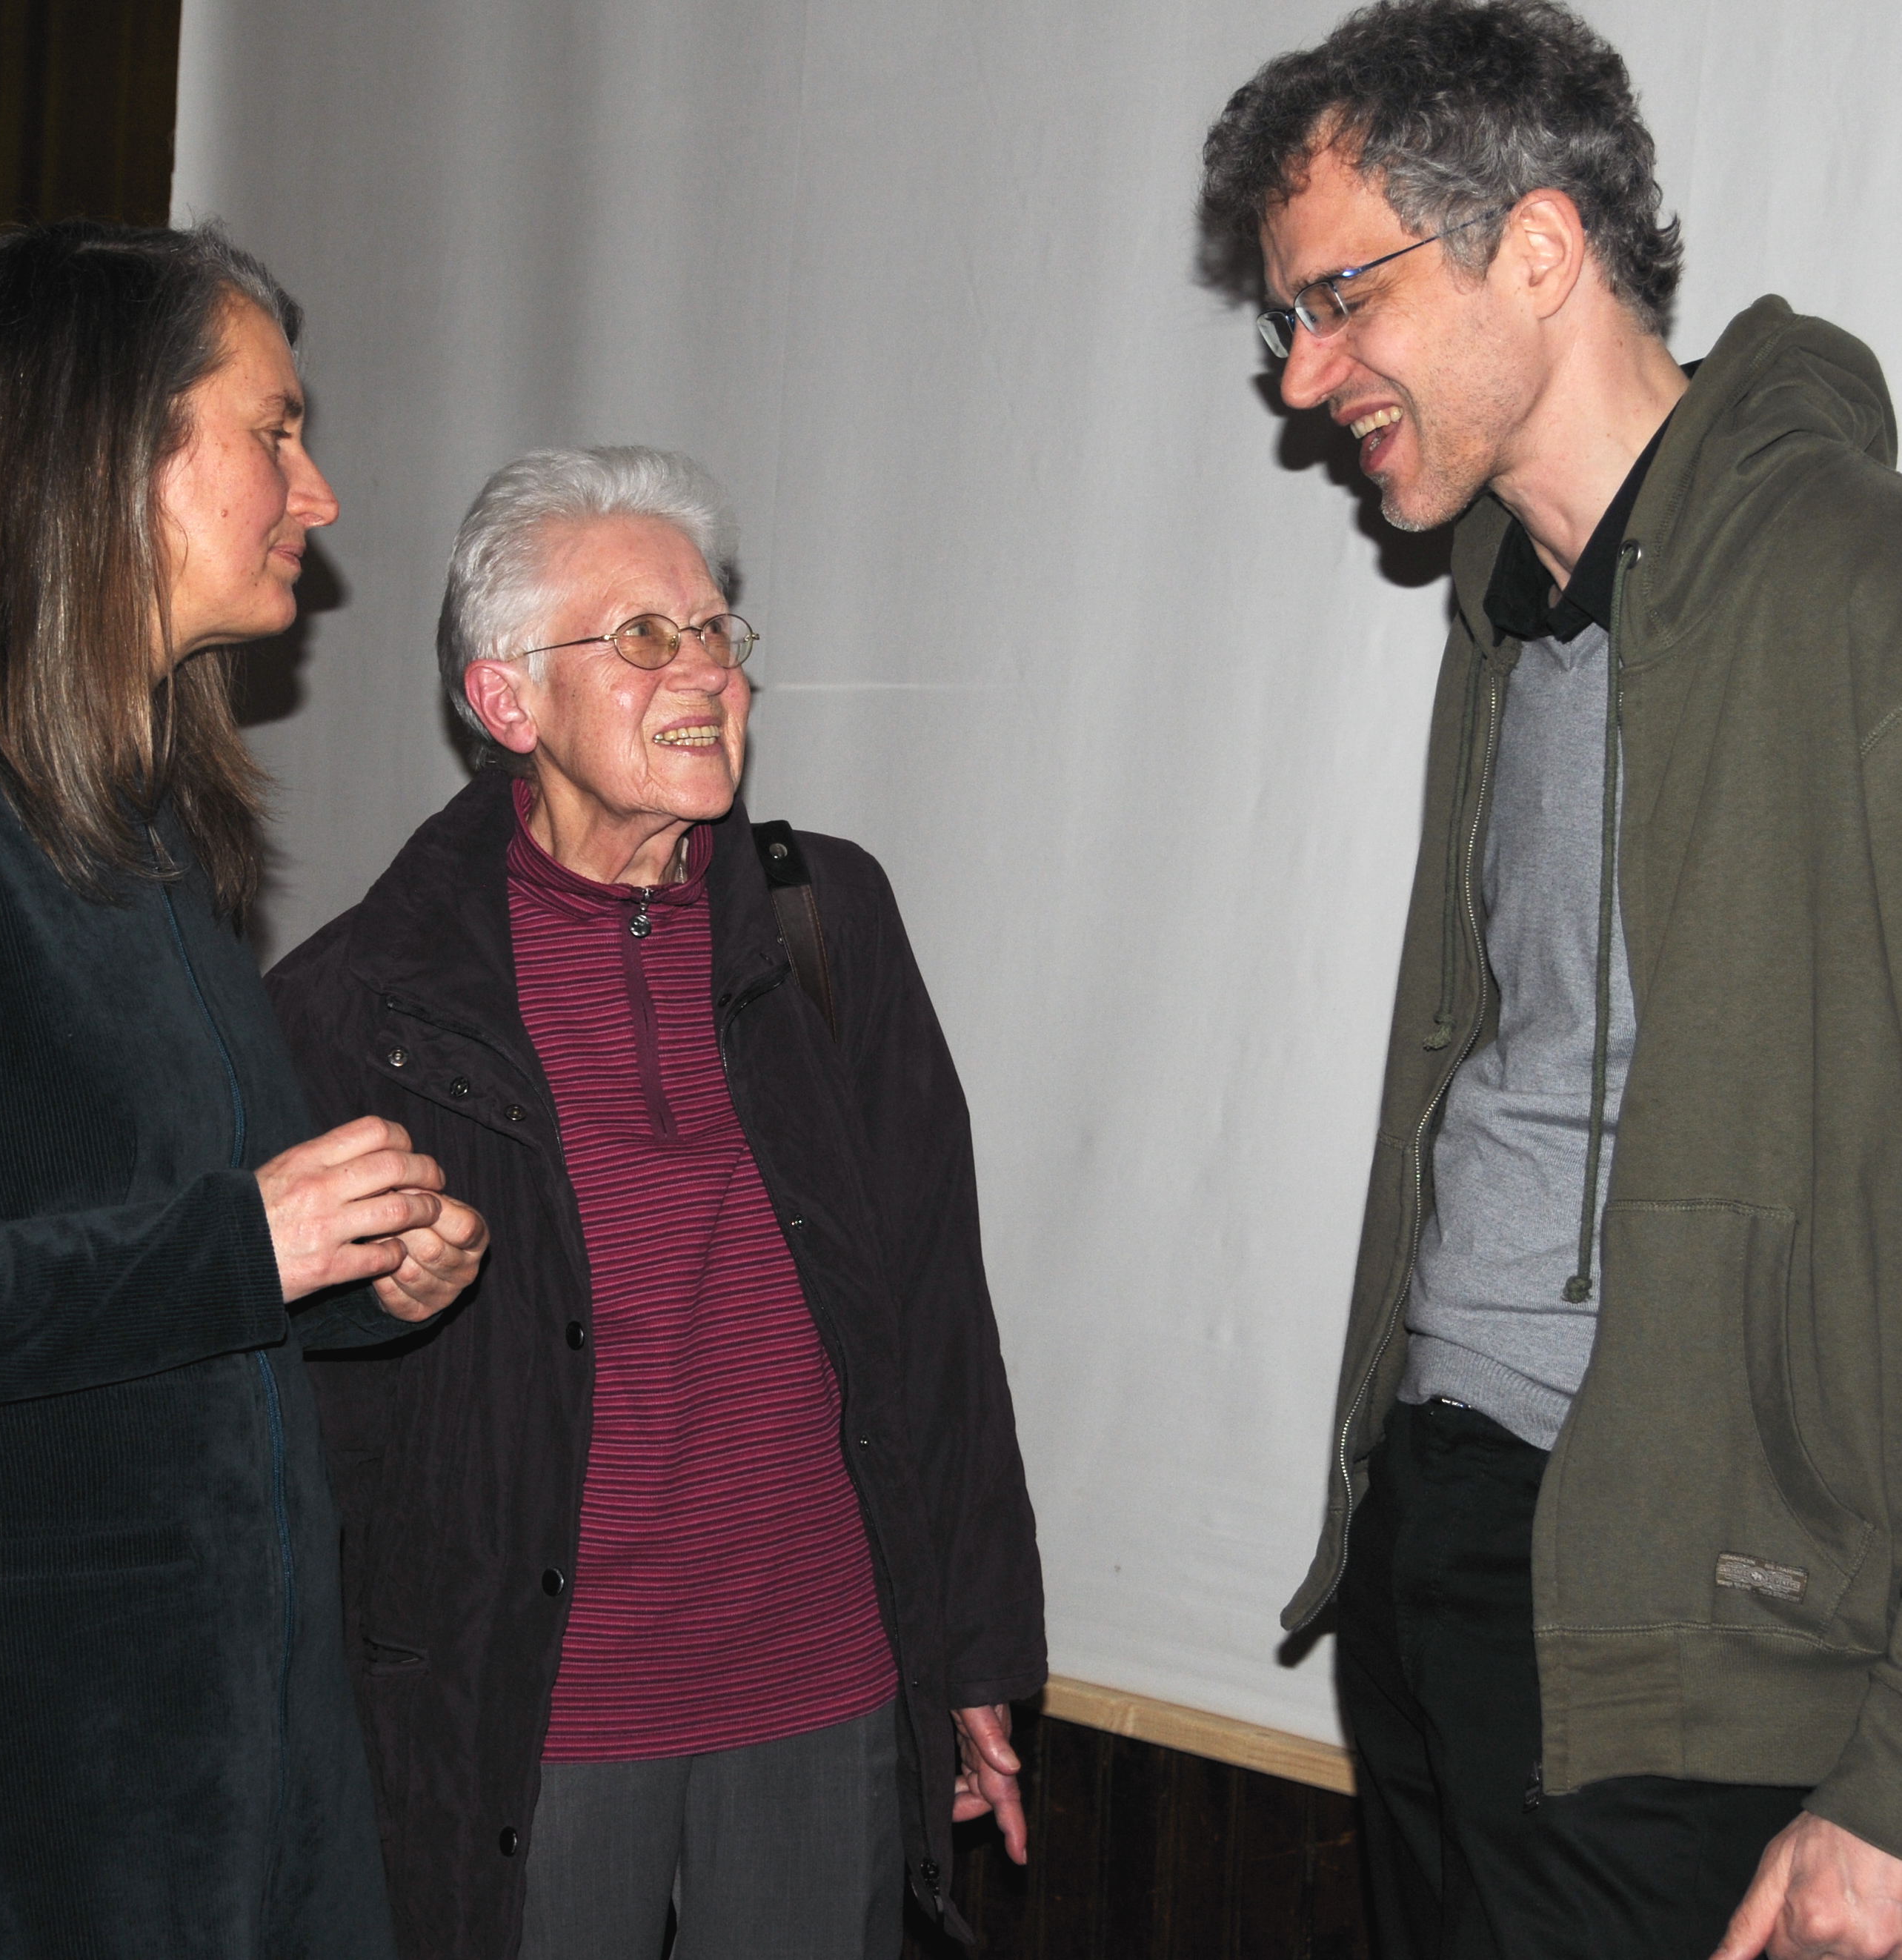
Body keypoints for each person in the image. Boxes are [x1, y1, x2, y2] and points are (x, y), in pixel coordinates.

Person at [0, 220, 488, 1959]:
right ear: (104, 444)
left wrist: (357, 1268)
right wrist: (235, 1248)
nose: (323, 490)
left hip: (243, 1774)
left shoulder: (151, 830)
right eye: (275, 431)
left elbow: (170, 1270)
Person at [1199, 4, 1902, 1956]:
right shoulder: (1507, 626)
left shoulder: (1854, 592)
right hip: (1445, 1553)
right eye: (1289, 319)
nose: (1303, 374)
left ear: (1537, 246)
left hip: (1684, 1632)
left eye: (1340, 296)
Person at [265, 445, 1046, 1960]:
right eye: (642, 639)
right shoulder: (366, 1006)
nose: (705, 675)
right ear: (506, 703)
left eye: (717, 636)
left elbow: (936, 1314)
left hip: (821, 1691)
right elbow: (322, 1421)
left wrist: (975, 1649)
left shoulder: (833, 923)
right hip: (537, 1725)